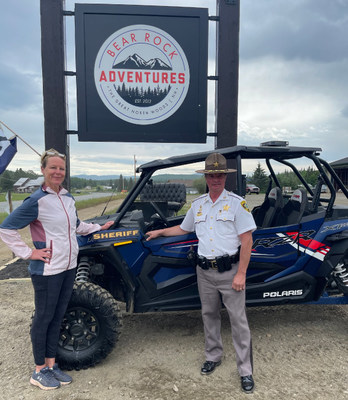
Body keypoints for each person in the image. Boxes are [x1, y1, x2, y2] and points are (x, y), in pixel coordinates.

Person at [0, 149, 114, 391]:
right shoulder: (35, 201)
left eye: (61, 168)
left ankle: (51, 366)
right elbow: (6, 228)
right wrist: (30, 253)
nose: (58, 172)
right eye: (53, 167)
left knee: (58, 316)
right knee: (43, 318)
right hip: (47, 270)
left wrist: (100, 227)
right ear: (43, 170)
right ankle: (39, 370)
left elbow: (77, 226)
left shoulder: (68, 198)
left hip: (68, 266)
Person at [146, 152, 256, 393]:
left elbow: (247, 241)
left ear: (225, 177)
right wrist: (160, 233)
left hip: (231, 271)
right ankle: (213, 356)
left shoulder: (237, 204)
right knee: (209, 315)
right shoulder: (197, 206)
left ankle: (245, 370)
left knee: (238, 321)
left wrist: (242, 274)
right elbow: (183, 228)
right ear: (206, 177)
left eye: (219, 175)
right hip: (204, 271)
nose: (215, 179)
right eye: (211, 175)